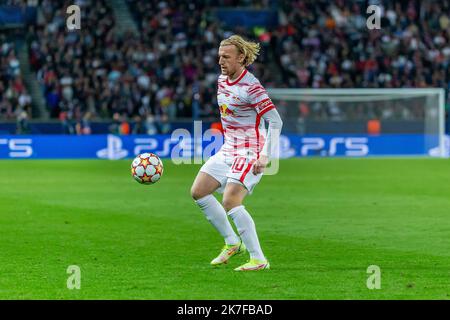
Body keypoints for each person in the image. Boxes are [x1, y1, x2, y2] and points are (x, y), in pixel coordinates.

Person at [190, 35, 283, 271]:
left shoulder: (252, 87)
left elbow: (275, 121)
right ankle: (232, 242)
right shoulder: (222, 80)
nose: (221, 61)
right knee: (199, 192)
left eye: (226, 57)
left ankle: (258, 259)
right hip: (228, 148)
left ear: (241, 58)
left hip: (250, 150)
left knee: (230, 200)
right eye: (220, 56)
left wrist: (265, 155)